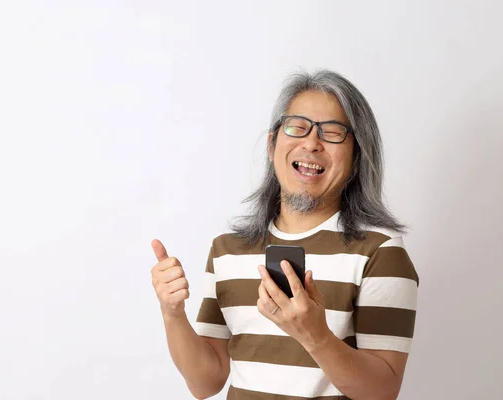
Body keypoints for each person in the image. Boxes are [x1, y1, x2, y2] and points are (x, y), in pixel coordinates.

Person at [150, 69, 419, 400]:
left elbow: (383, 391)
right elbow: (206, 384)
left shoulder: (380, 251)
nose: (311, 143)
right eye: (297, 127)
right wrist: (172, 314)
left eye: (333, 132)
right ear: (272, 144)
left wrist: (315, 335)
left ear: (356, 157)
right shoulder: (228, 250)